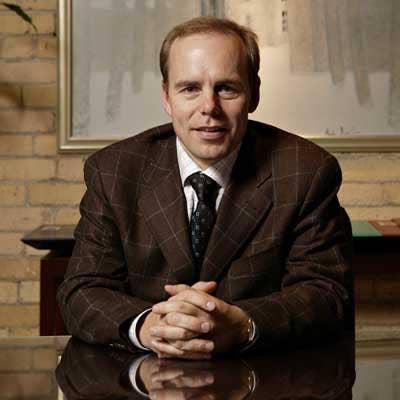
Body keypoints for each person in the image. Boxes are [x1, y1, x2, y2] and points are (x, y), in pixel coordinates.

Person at [57, 16, 353, 360]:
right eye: (190, 89)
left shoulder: (306, 171)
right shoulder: (114, 171)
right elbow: (82, 290)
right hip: (143, 374)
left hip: (265, 373)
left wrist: (243, 324)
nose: (209, 107)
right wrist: (149, 326)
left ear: (254, 94)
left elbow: (327, 293)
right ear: (167, 97)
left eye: (226, 88)